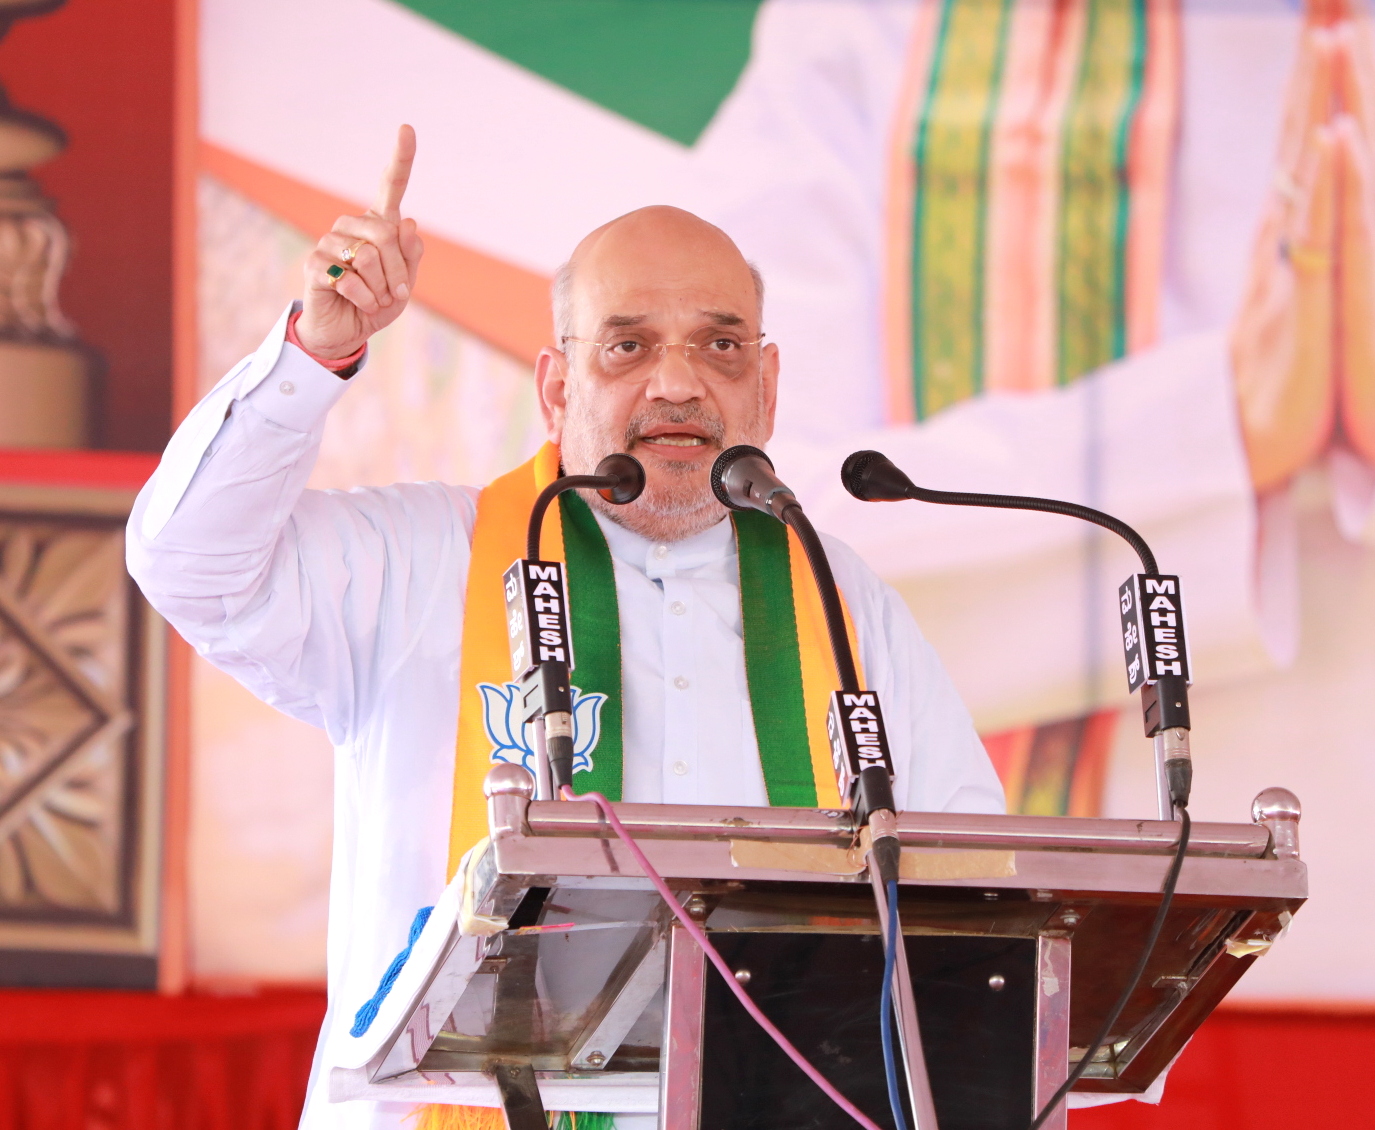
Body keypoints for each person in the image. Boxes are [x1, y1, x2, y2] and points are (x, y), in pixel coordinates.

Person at [127, 126, 1003, 1130]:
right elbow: (188, 560)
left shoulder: (845, 607)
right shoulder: (427, 559)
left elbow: (973, 904)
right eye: (627, 344)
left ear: (765, 387)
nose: (678, 383)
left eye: (720, 346)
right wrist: (313, 354)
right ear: (555, 389)